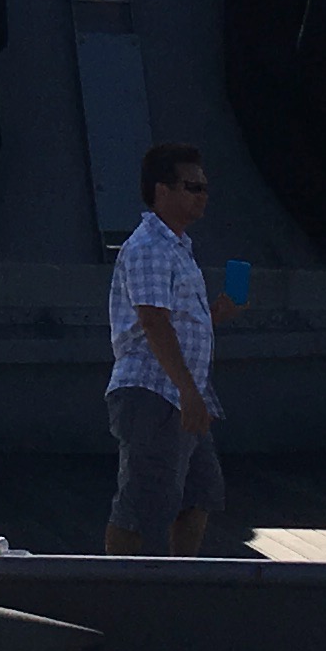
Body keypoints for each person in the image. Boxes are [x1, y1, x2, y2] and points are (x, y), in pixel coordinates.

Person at [103, 141, 223, 557]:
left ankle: (181, 577)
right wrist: (189, 392)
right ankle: (119, 584)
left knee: (198, 493)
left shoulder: (177, 247)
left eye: (204, 188)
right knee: (139, 505)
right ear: (162, 191)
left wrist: (217, 314)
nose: (202, 196)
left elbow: (175, 322)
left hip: (178, 394)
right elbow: (153, 323)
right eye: (193, 187)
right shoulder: (150, 248)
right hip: (153, 393)